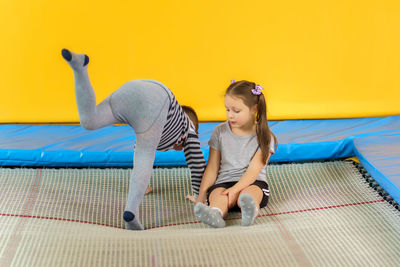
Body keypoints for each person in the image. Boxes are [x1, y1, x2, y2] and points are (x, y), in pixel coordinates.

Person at [61, 49, 205, 230]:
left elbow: (139, 153)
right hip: (158, 97)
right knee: (145, 154)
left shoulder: (157, 129)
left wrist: (142, 186)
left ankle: (80, 68)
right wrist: (199, 195)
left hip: (133, 89)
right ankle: (131, 212)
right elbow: (197, 164)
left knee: (90, 120)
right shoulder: (188, 129)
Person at [191, 79, 277, 228]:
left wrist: (236, 190)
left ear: (254, 109)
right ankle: (215, 214)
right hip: (224, 182)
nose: (230, 115)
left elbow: (253, 171)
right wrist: (201, 195)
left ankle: (250, 210)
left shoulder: (265, 136)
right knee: (218, 196)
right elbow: (212, 167)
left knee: (248, 195)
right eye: (227, 110)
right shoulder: (220, 131)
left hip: (253, 183)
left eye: (236, 111)